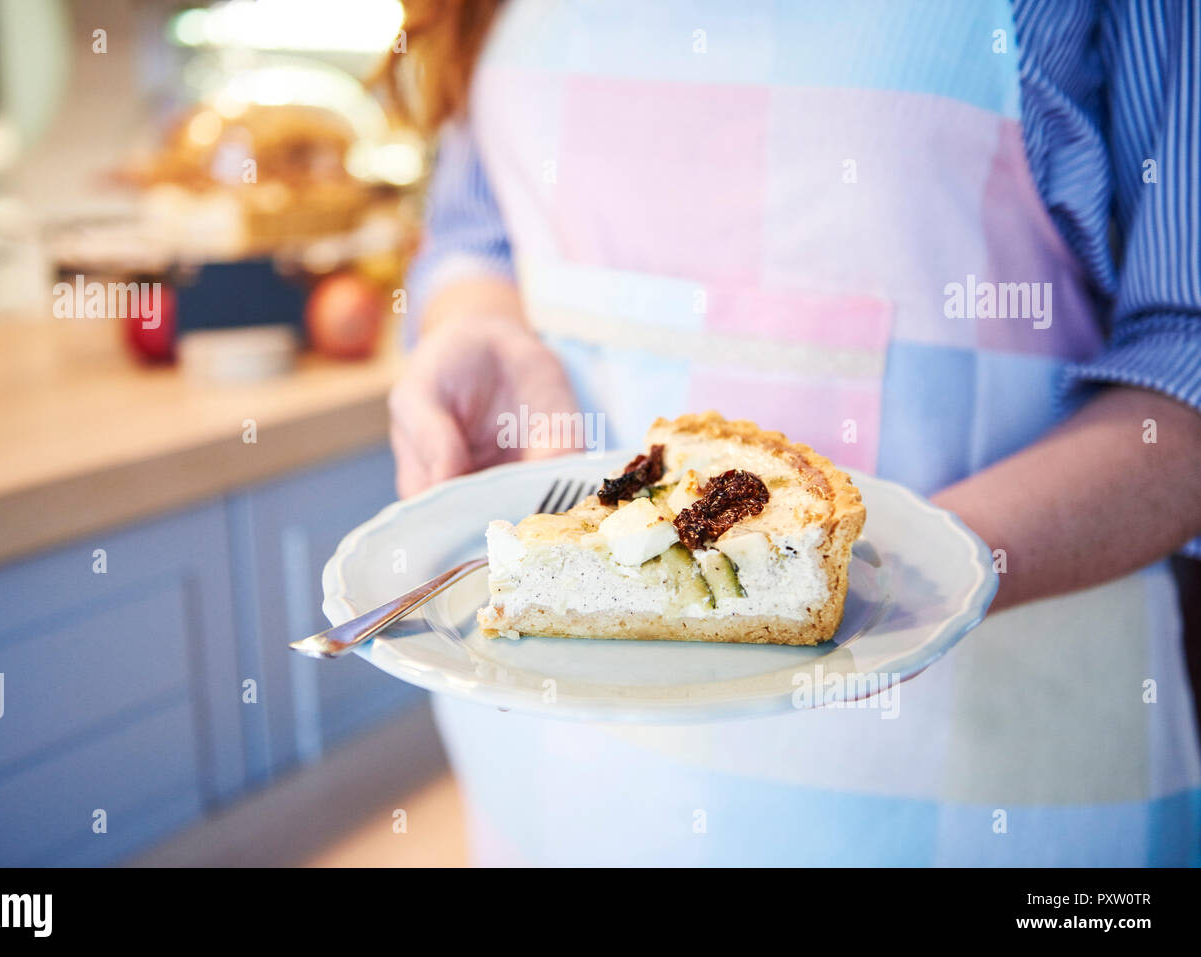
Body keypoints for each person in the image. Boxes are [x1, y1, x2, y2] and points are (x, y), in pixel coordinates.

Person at [384, 0, 1201, 864]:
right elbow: (472, 235)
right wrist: (475, 326)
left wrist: (898, 570)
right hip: (561, 773)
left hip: (971, 774)